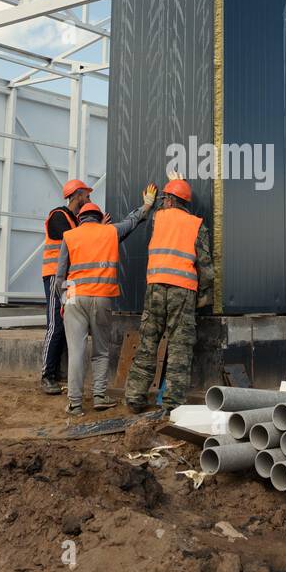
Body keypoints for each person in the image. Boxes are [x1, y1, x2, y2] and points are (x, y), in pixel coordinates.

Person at [55, 184, 158, 416]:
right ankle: (100, 395)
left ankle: (75, 403)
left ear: (80, 218)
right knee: (100, 351)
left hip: (74, 298)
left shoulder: (69, 236)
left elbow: (60, 275)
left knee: (76, 351)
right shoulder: (110, 231)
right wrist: (148, 205)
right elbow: (132, 221)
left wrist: (63, 301)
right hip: (102, 297)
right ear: (100, 217)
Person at [124, 175, 214, 412]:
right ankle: (173, 404)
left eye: (164, 198)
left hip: (155, 288)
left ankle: (135, 397)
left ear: (171, 201)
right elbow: (205, 265)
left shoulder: (156, 218)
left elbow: (148, 215)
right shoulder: (197, 224)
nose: (162, 201)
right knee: (179, 347)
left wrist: (149, 203)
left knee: (147, 342)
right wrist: (206, 293)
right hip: (183, 292)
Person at [38, 179, 91, 395]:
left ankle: (56, 372)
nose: (89, 199)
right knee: (56, 325)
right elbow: (73, 239)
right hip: (55, 278)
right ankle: (47, 375)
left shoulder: (76, 221)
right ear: (77, 195)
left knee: (68, 324)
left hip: (69, 280)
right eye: (86, 195)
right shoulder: (58, 216)